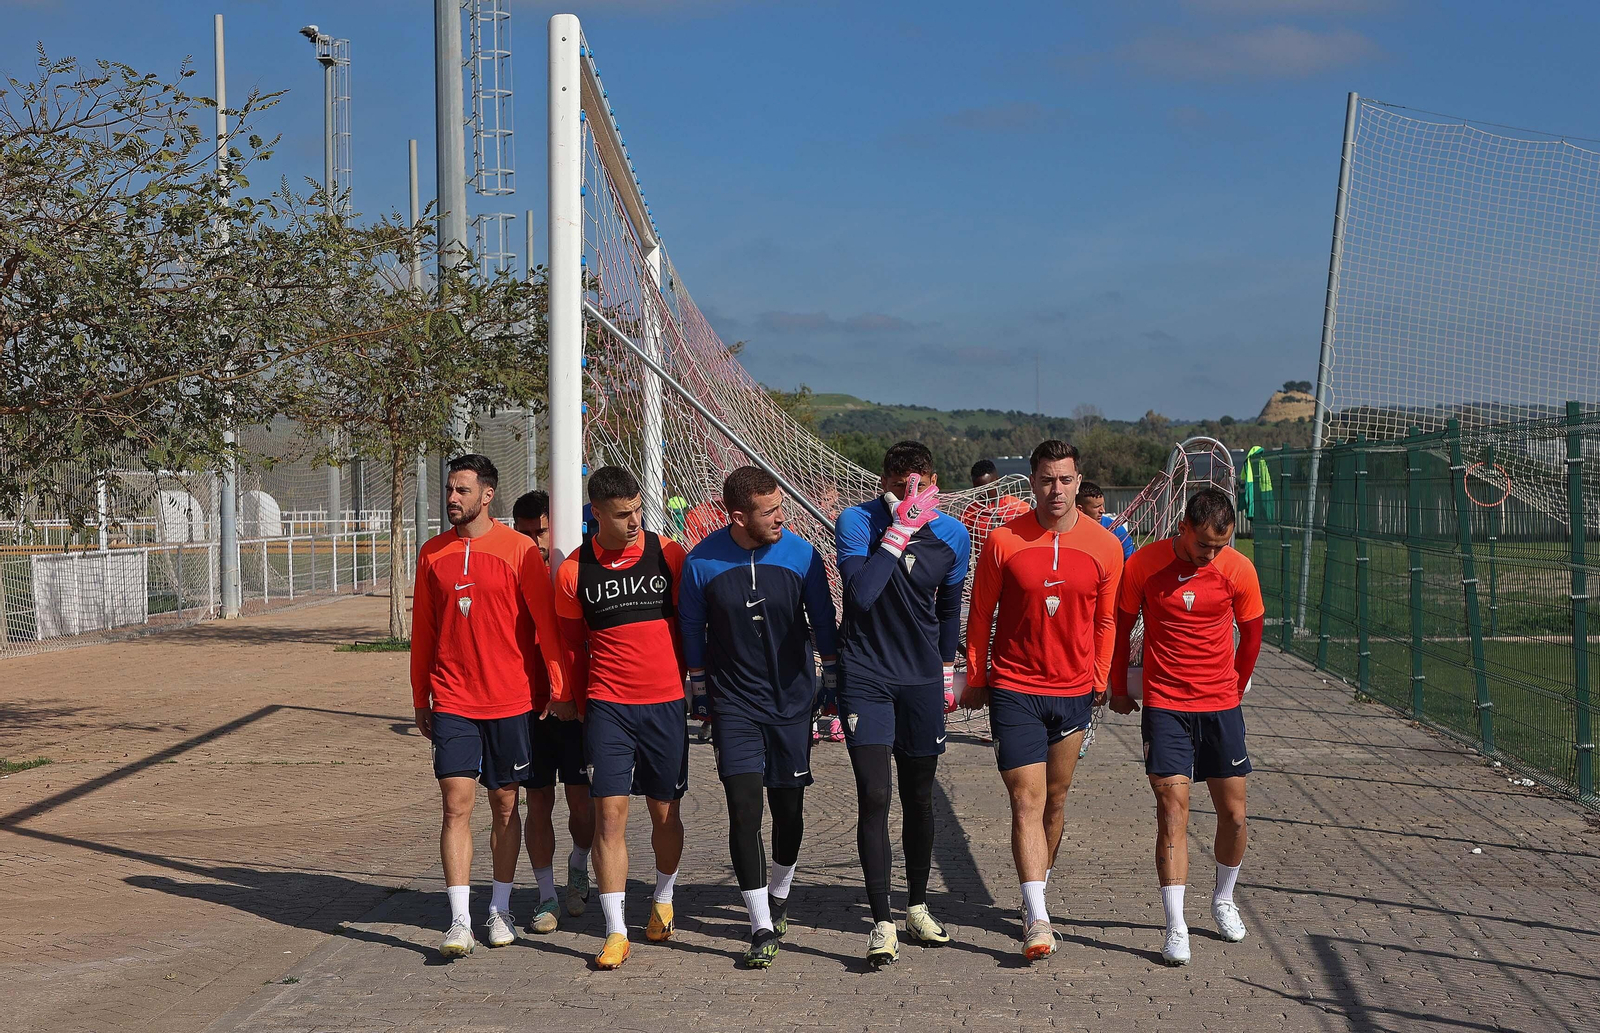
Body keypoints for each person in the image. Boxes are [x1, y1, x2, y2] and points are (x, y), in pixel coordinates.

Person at [963, 440, 1123, 961]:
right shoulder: (1003, 541)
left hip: (1074, 691)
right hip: (1015, 689)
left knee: (1056, 801)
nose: (1057, 490)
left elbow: (1107, 620)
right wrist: (977, 673)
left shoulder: (1105, 546)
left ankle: (1038, 889)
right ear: (1031, 482)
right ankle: (1036, 916)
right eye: (1048, 480)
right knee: (1025, 801)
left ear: (1079, 481)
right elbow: (982, 612)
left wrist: (1100, 676)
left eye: (1066, 480)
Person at [680, 466, 838, 969]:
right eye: (769, 511)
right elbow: (690, 627)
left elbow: (824, 620)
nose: (780, 518)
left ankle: (782, 889)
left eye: (780, 507)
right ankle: (760, 924)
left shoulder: (801, 554)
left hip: (792, 702)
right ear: (738, 516)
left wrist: (832, 681)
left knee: (788, 811)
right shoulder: (702, 561)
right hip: (735, 705)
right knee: (744, 810)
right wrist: (699, 685)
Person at [411, 455, 568, 958]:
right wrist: (421, 697)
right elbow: (423, 635)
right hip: (454, 698)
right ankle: (459, 920)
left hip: (510, 700)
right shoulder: (431, 554)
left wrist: (557, 687)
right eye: (449, 490)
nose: (452, 499)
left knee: (505, 804)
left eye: (461, 490)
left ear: (487, 495)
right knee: (455, 803)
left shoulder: (519, 550)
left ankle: (500, 908)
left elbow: (545, 626)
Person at [1108, 488, 1264, 966]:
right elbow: (1120, 623)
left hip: (1220, 707)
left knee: (1234, 815)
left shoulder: (1237, 569)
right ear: (1183, 530)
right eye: (1204, 546)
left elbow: (1253, 630)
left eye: (1221, 545)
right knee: (1172, 810)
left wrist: (1234, 686)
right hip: (1166, 706)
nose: (1212, 555)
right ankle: (1175, 926)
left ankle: (1223, 898)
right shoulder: (1144, 566)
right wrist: (1117, 684)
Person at [834, 440, 971, 966]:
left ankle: (915, 907)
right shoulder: (857, 522)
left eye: (920, 483)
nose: (910, 492)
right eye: (899, 483)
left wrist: (943, 676)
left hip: (918, 681)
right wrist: (896, 532)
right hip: (866, 674)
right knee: (874, 794)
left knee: (919, 796)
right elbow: (862, 595)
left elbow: (947, 613)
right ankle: (881, 921)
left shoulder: (953, 534)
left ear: (933, 482)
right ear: (884, 481)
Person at [551, 465, 690, 970]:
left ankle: (664, 897)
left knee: (663, 813)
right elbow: (568, 645)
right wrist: (567, 694)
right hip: (607, 706)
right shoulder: (573, 571)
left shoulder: (668, 554)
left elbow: (689, 628)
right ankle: (615, 931)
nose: (634, 521)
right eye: (622, 514)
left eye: (637, 511)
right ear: (597, 515)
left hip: (666, 703)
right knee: (608, 816)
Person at [509, 489, 595, 933]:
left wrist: (575, 693)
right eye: (523, 533)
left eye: (540, 531)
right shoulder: (514, 570)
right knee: (537, 801)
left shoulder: (576, 571)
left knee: (582, 803)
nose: (533, 542)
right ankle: (546, 897)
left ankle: (579, 867)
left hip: (576, 707)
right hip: (528, 706)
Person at [959, 459, 1031, 543]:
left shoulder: (1020, 508)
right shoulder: (969, 513)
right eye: (978, 489)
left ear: (997, 481)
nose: (983, 493)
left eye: (987, 488)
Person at [1075, 481, 1135, 560]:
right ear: (1080, 509)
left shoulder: (1115, 528)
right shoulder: (1065, 529)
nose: (1103, 510)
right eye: (1097, 507)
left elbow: (1132, 559)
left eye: (1102, 505)